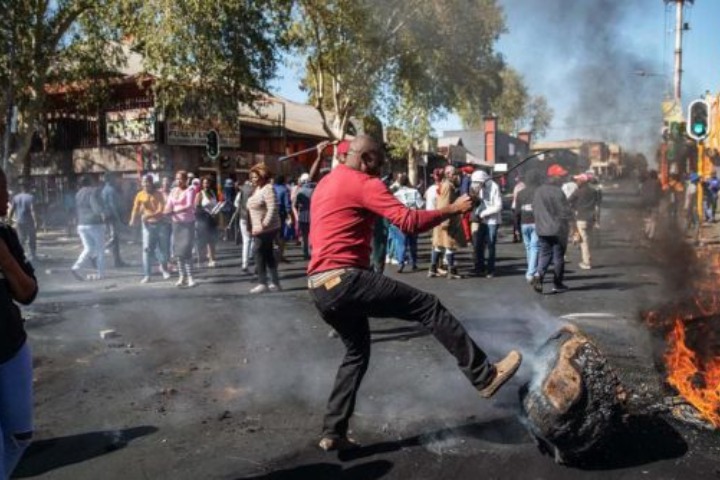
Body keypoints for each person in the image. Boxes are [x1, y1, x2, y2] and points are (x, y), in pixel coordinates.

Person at [307, 135, 522, 451]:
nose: (382, 169)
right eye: (380, 161)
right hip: (345, 279)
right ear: (367, 158)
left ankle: (333, 431)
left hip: (318, 287)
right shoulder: (365, 183)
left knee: (356, 353)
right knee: (427, 306)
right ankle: (484, 375)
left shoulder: (327, 182)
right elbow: (407, 222)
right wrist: (453, 209)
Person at [0, 167, 38, 480]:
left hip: (11, 348)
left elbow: (28, 293)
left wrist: (4, 259)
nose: (7, 198)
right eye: (3, 191)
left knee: (20, 436)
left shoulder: (5, 235)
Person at [531, 164, 574, 294]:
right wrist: (571, 222)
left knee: (544, 254)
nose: (563, 178)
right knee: (558, 257)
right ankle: (557, 283)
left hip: (542, 229)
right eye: (560, 176)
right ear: (553, 176)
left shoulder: (538, 191)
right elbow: (564, 211)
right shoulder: (558, 192)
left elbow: (535, 209)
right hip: (557, 229)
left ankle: (539, 275)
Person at [128, 175, 170, 283]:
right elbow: (135, 209)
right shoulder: (140, 195)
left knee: (163, 249)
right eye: (143, 182)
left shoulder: (159, 194)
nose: (145, 184)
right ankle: (147, 275)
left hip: (161, 224)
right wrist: (132, 220)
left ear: (151, 183)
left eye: (147, 182)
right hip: (147, 226)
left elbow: (161, 209)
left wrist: (149, 216)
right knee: (147, 250)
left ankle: (164, 269)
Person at [247, 163, 281, 293]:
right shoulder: (257, 189)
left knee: (258, 252)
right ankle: (275, 283)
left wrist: (263, 225)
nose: (253, 179)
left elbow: (272, 208)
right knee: (267, 254)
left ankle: (263, 283)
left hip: (267, 228)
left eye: (255, 177)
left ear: (263, 176)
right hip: (259, 227)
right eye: (252, 177)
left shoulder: (268, 188)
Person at [429, 166, 466, 279]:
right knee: (449, 246)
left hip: (441, 220)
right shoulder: (448, 186)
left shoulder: (445, 185)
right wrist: (445, 222)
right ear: (449, 174)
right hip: (446, 221)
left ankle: (433, 270)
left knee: (439, 246)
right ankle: (451, 271)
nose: (456, 176)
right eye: (454, 174)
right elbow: (444, 204)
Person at [164, 170, 197, 287]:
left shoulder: (190, 190)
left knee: (187, 251)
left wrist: (174, 211)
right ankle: (181, 276)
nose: (179, 181)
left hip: (187, 223)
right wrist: (166, 211)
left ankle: (191, 277)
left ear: (186, 179)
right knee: (178, 252)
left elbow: (189, 205)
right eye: (177, 179)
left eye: (181, 179)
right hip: (176, 223)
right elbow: (169, 204)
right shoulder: (173, 191)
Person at [71, 175, 106, 281]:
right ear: (90, 182)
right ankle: (101, 273)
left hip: (81, 224)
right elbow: (96, 206)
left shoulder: (78, 194)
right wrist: (102, 214)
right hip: (94, 223)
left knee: (88, 248)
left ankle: (76, 267)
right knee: (100, 249)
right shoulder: (94, 191)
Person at [468, 170, 502, 278]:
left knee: (491, 245)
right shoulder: (480, 187)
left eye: (478, 182)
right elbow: (480, 202)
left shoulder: (494, 187)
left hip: (492, 221)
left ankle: (490, 269)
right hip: (482, 220)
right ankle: (479, 267)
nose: (477, 185)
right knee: (478, 244)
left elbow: (498, 206)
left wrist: (483, 213)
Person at [515, 169, 543, 283]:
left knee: (529, 248)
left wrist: (516, 228)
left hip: (524, 223)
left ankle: (532, 270)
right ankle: (531, 273)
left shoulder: (521, 193)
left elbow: (516, 211)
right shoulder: (539, 192)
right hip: (536, 223)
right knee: (535, 247)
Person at [392, 173, 424, 272]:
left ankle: (401, 262)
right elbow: (421, 205)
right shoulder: (415, 191)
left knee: (401, 242)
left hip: (402, 219)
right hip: (413, 218)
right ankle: (414, 262)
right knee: (413, 242)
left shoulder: (396, 194)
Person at [568, 173, 599, 269]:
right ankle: (588, 258)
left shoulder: (578, 191)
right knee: (588, 239)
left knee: (584, 241)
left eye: (578, 180)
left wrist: (574, 207)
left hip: (581, 218)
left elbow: (569, 200)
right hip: (591, 218)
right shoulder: (594, 191)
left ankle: (586, 262)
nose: (576, 182)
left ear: (582, 181)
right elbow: (597, 203)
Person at [7, 179, 37, 262]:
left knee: (21, 239)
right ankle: (33, 255)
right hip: (29, 221)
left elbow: (12, 210)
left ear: (21, 188)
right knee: (31, 238)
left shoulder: (16, 197)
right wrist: (35, 221)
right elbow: (32, 210)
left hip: (19, 221)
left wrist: (9, 220)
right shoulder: (31, 197)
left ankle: (19, 255)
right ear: (28, 188)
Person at [101, 173, 127, 268]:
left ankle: (117, 260)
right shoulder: (110, 190)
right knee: (113, 238)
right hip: (112, 217)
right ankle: (97, 251)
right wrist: (118, 218)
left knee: (115, 240)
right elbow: (113, 206)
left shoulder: (104, 189)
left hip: (108, 217)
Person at [195, 176, 220, 268]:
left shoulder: (213, 193)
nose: (206, 185)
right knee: (202, 241)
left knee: (212, 240)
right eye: (204, 183)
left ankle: (212, 259)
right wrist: (206, 212)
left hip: (212, 219)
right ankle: (201, 260)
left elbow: (216, 204)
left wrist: (217, 210)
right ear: (202, 184)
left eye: (208, 183)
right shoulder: (200, 194)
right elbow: (197, 208)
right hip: (203, 220)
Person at [234, 178, 255, 272]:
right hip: (253, 217)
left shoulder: (241, 191)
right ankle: (253, 257)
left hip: (243, 217)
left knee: (246, 241)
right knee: (255, 239)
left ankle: (244, 263)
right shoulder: (256, 190)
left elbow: (236, 203)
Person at [273, 175, 292, 262]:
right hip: (281, 213)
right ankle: (280, 255)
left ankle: (273, 254)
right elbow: (287, 204)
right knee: (281, 235)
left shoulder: (271, 188)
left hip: (271, 213)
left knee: (272, 234)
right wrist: (289, 214)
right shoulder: (284, 190)